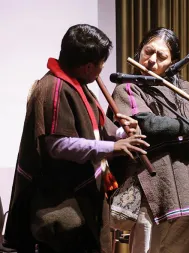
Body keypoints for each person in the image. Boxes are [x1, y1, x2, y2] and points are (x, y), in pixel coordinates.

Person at [2, 24, 149, 253]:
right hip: (61, 206)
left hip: (83, 201)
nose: (102, 69)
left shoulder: (77, 83)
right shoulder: (54, 88)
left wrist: (122, 133)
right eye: (101, 63)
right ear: (88, 66)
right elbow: (58, 145)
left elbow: (98, 126)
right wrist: (114, 147)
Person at [109, 27, 189, 253]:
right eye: (148, 52)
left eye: (161, 56)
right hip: (154, 187)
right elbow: (147, 126)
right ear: (139, 51)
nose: (151, 60)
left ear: (174, 62)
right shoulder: (127, 88)